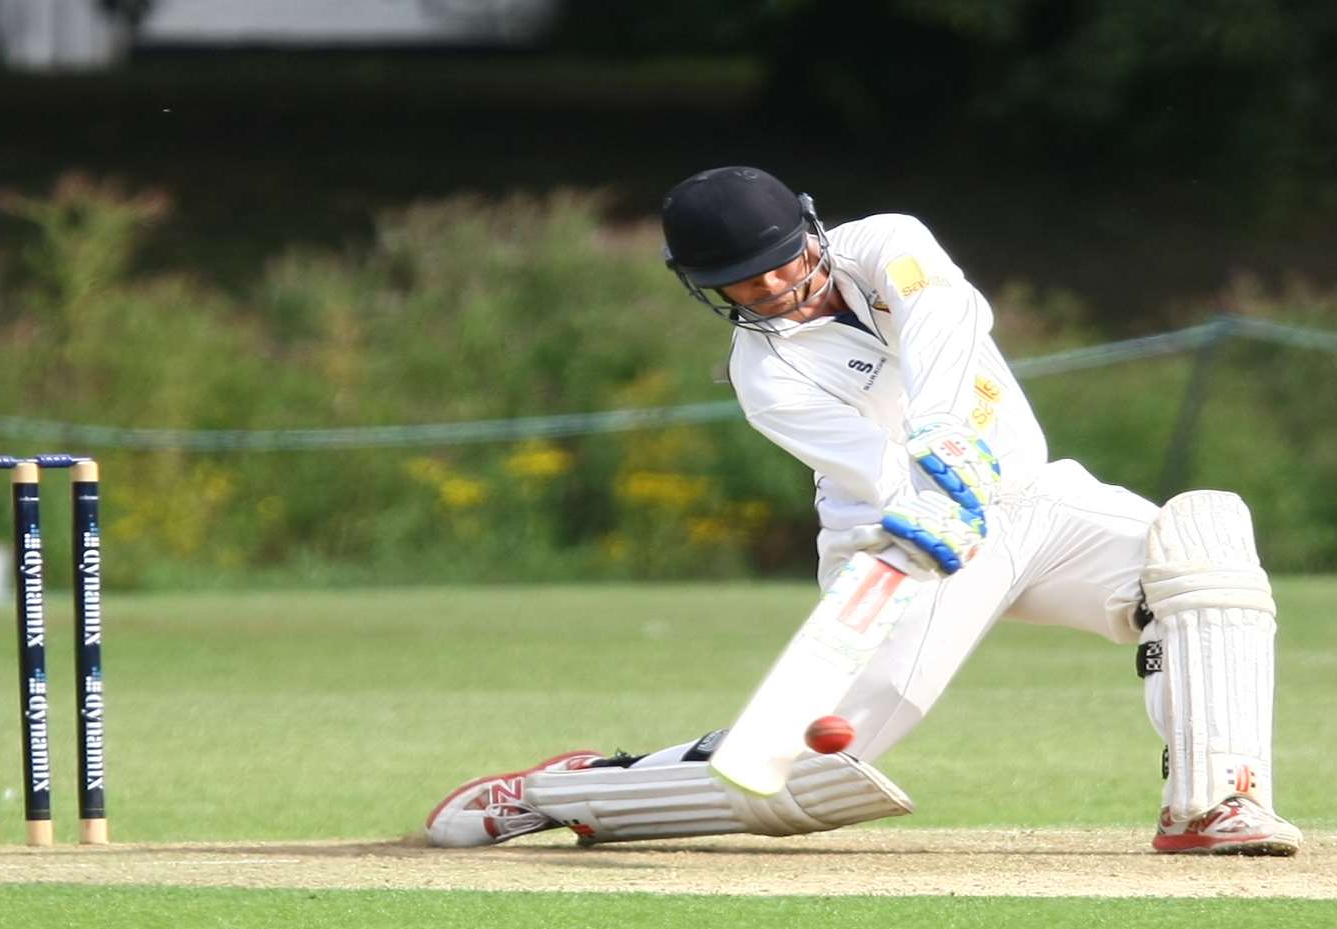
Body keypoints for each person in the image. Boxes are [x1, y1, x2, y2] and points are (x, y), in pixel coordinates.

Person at [425, 165, 1298, 857]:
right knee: (813, 769)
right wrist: (931, 484)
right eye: (741, 284)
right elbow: (885, 477)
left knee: (1202, 543)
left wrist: (944, 431)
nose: (772, 288)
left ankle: (1214, 801)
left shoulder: (886, 241)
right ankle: (565, 792)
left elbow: (946, 317)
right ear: (702, 287)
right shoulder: (767, 375)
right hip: (905, 546)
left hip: (1040, 499)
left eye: (782, 262)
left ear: (811, 229)